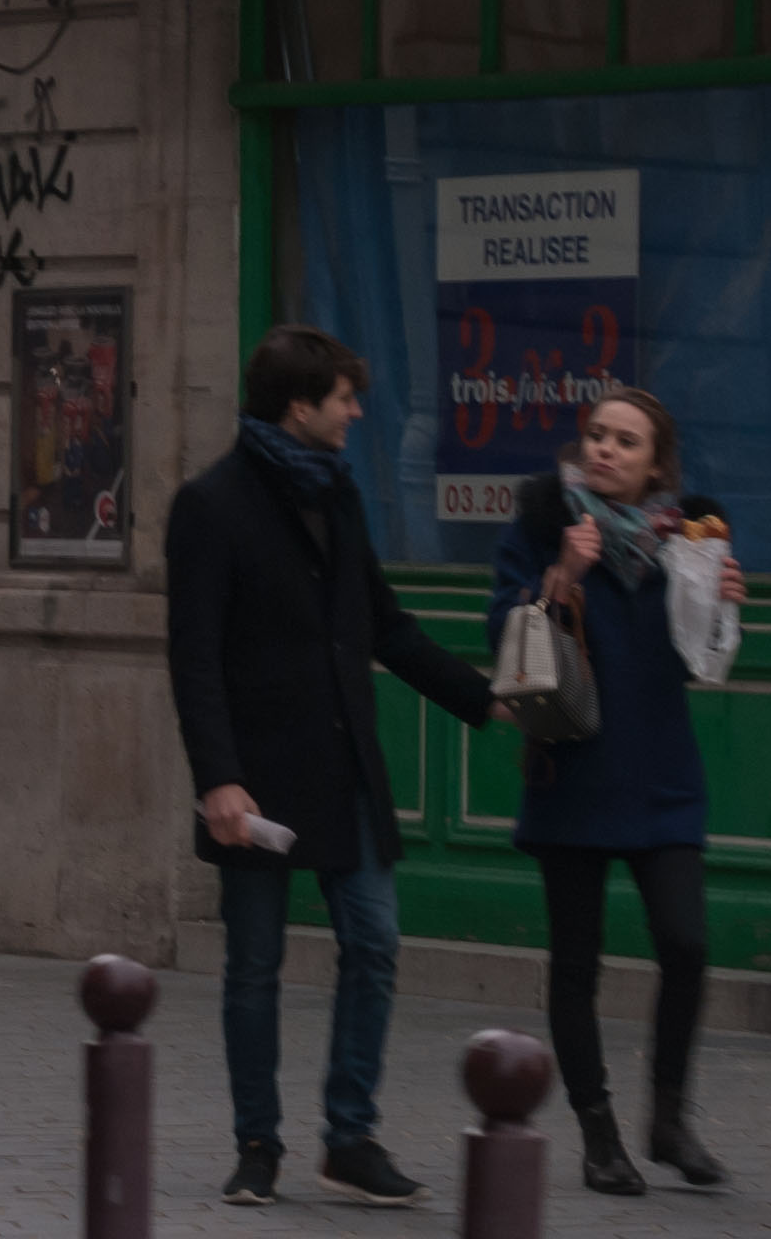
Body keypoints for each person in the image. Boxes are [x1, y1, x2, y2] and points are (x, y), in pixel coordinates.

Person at [167, 325, 502, 1210]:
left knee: (376, 942)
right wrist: (217, 778)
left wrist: (483, 698)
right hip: (257, 777)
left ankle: (350, 1137)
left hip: (345, 763)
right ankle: (256, 1143)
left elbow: (385, 625)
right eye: (345, 399)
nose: (356, 413)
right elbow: (193, 657)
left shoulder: (339, 493)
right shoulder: (210, 505)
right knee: (255, 964)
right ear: (299, 406)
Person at [489, 389, 730, 1195]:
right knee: (576, 962)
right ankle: (599, 1135)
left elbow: (703, 661)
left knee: (686, 943)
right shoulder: (544, 521)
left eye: (627, 442)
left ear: (657, 464)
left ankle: (669, 1117)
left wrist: (721, 606)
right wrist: (563, 574)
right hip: (574, 772)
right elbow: (501, 633)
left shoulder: (688, 539)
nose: (605, 450)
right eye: (597, 435)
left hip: (663, 777)